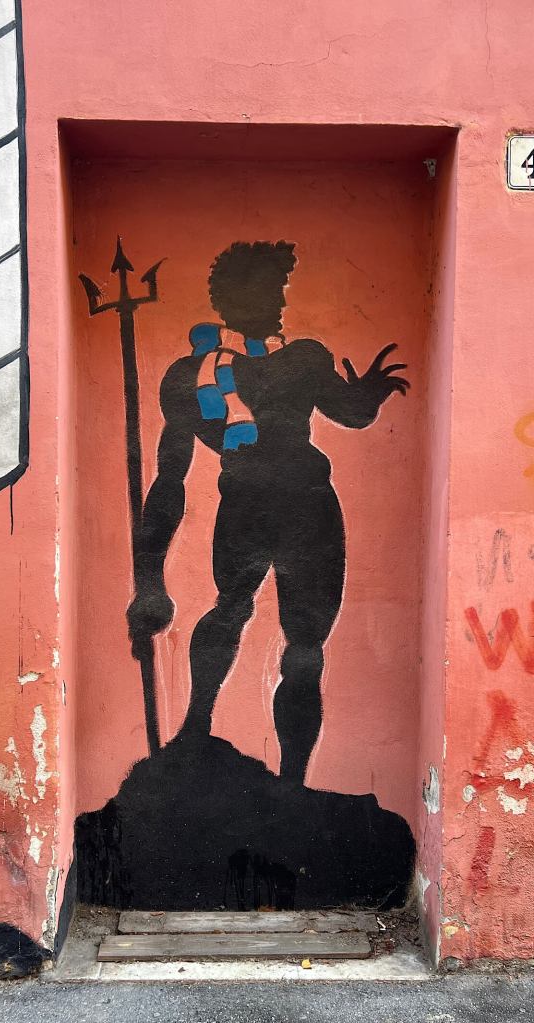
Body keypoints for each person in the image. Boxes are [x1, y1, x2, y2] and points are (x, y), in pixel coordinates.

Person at [127, 240, 409, 784]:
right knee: (247, 618)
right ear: (236, 297)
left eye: (281, 290)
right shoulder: (197, 374)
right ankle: (205, 734)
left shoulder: (294, 359)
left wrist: (369, 394)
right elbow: (169, 480)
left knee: (291, 639)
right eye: (272, 290)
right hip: (268, 505)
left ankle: (285, 777)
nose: (281, 303)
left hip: (293, 506)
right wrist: (149, 581)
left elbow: (350, 413)